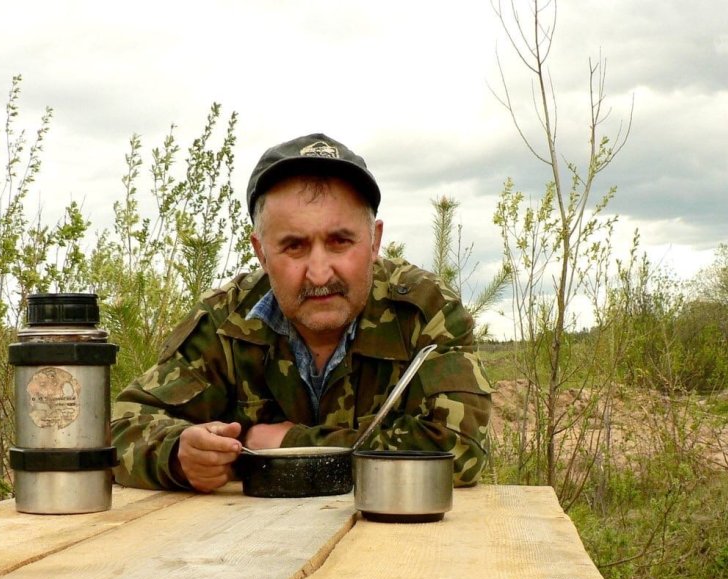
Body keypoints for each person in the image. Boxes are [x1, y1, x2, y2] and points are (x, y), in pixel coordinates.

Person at [111, 133, 492, 492]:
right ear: (261, 252)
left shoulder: (425, 311)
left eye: (340, 242)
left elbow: (458, 452)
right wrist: (177, 454)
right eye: (294, 246)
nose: (320, 272)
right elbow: (119, 426)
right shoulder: (225, 319)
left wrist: (292, 445)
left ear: (374, 241)